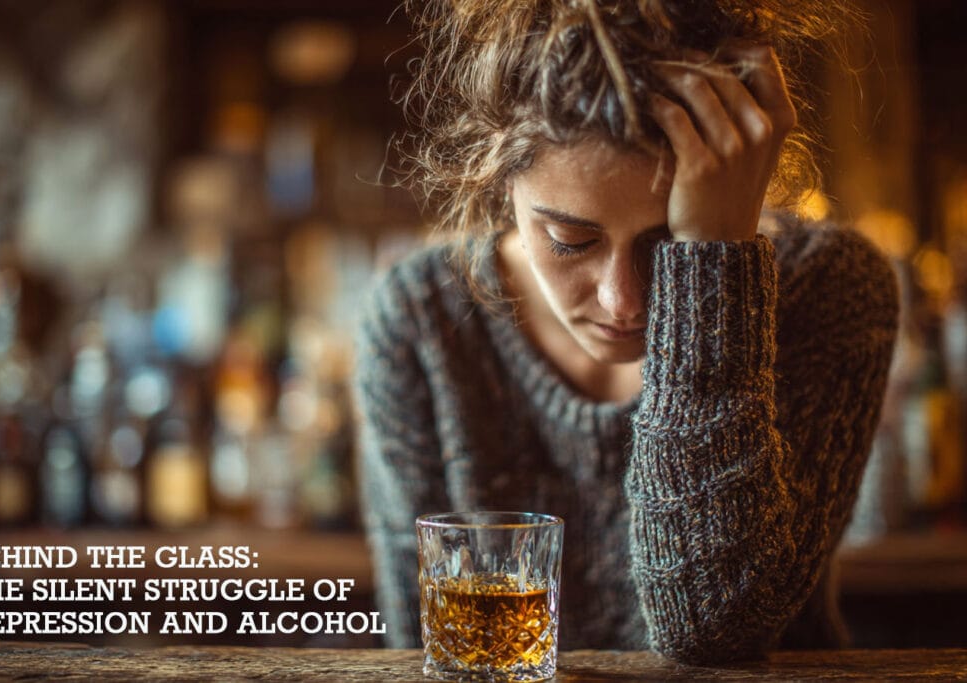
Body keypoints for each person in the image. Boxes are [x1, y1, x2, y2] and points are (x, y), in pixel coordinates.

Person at [353, 0, 898, 665]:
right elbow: (422, 648)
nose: (623, 300)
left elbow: (712, 629)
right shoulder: (420, 319)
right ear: (500, 180)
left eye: (667, 242)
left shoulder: (833, 288)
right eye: (570, 240)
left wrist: (715, 262)